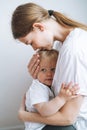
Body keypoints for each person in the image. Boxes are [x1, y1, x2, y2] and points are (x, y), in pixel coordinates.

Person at [11, 2, 87, 130]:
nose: (34, 48)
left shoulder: (73, 50)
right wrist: (38, 77)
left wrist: (24, 115)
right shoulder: (59, 45)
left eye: (30, 43)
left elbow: (68, 118)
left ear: (39, 27)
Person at [25, 49, 79, 130]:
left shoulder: (52, 86)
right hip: (40, 127)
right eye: (43, 70)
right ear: (36, 71)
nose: (49, 74)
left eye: (53, 69)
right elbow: (44, 111)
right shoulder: (37, 88)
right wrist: (62, 98)